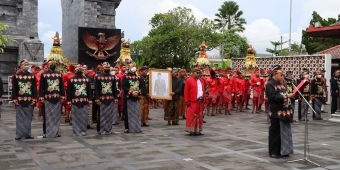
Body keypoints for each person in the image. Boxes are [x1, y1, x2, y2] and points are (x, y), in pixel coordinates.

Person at [265, 65, 294, 158]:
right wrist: (286, 96)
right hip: (275, 111)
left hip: (284, 111)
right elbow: (272, 97)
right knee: (275, 132)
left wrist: (290, 95)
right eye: (280, 74)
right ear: (274, 74)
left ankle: (284, 151)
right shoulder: (269, 84)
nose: (282, 76)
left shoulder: (282, 83)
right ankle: (274, 152)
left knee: (285, 132)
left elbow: (284, 93)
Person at [11, 60, 37, 140]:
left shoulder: (32, 76)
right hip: (19, 100)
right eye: (24, 64)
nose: (26, 65)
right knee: (19, 118)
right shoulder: (16, 76)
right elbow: (14, 88)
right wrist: (14, 98)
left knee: (28, 118)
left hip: (29, 100)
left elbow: (34, 89)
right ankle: (19, 135)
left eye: (27, 64)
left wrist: (34, 99)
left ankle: (27, 134)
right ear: (20, 66)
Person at [39, 60, 64, 138]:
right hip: (47, 99)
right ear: (47, 65)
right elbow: (41, 87)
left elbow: (61, 86)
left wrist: (63, 96)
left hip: (57, 98)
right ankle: (45, 132)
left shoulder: (59, 74)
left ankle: (56, 132)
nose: (52, 64)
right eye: (50, 63)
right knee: (47, 116)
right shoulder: (44, 74)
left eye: (53, 63)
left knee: (56, 116)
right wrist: (41, 97)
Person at [94, 62, 119, 135]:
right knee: (101, 115)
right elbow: (96, 89)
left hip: (110, 99)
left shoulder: (113, 77)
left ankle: (108, 129)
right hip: (101, 99)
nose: (107, 69)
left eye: (108, 67)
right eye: (105, 67)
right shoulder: (98, 77)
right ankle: (101, 130)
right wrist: (97, 98)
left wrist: (116, 97)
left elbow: (114, 88)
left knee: (109, 115)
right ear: (102, 68)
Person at [67, 65, 92, 136]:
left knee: (84, 117)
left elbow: (89, 91)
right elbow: (69, 91)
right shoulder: (71, 79)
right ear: (75, 71)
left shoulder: (86, 80)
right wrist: (69, 100)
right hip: (74, 101)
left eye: (80, 70)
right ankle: (76, 131)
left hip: (84, 101)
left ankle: (83, 131)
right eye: (78, 69)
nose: (79, 71)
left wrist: (90, 99)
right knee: (75, 117)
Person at [184, 68, 205, 136]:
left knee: (200, 116)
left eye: (199, 73)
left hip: (200, 101)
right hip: (193, 101)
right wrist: (187, 100)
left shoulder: (201, 80)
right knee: (192, 116)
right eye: (197, 72)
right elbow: (186, 91)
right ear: (193, 73)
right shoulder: (189, 80)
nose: (198, 74)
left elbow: (203, 90)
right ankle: (191, 130)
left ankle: (198, 130)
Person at [122, 66, 142, 133]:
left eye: (134, 67)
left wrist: (138, 92)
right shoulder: (125, 77)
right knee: (127, 114)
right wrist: (131, 92)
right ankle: (127, 128)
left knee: (136, 113)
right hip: (128, 98)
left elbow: (143, 87)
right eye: (132, 67)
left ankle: (137, 127)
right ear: (129, 69)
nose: (133, 68)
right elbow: (124, 86)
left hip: (137, 97)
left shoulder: (139, 77)